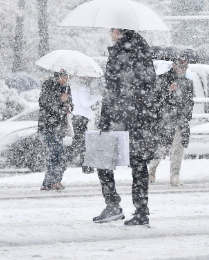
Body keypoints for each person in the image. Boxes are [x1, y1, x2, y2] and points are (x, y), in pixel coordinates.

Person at [94, 28, 158, 227]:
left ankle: (113, 204)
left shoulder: (119, 54)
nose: (110, 33)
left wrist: (106, 118)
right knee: (138, 166)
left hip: (120, 115)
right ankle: (141, 211)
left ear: (120, 31)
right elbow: (148, 86)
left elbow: (113, 89)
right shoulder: (144, 53)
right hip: (140, 118)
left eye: (112, 29)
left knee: (103, 159)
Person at [149, 58, 194, 186]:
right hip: (166, 120)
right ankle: (151, 171)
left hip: (181, 120)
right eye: (180, 66)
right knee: (161, 148)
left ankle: (175, 177)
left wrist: (186, 116)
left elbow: (190, 101)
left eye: (185, 66)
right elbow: (155, 99)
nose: (183, 69)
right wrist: (168, 91)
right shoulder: (163, 79)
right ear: (174, 65)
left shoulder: (188, 82)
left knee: (177, 150)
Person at [38, 70, 73, 191]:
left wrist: (68, 106)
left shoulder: (67, 88)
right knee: (58, 155)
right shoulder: (49, 86)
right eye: (65, 77)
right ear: (59, 76)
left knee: (58, 155)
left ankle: (53, 181)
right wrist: (61, 101)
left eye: (68, 77)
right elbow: (46, 105)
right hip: (49, 128)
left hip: (59, 128)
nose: (67, 79)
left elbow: (69, 104)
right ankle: (50, 182)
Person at [67, 77, 102, 173]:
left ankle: (76, 161)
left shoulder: (73, 86)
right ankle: (86, 166)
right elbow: (86, 103)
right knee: (85, 143)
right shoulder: (83, 87)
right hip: (82, 117)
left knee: (80, 142)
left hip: (77, 116)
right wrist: (97, 95)